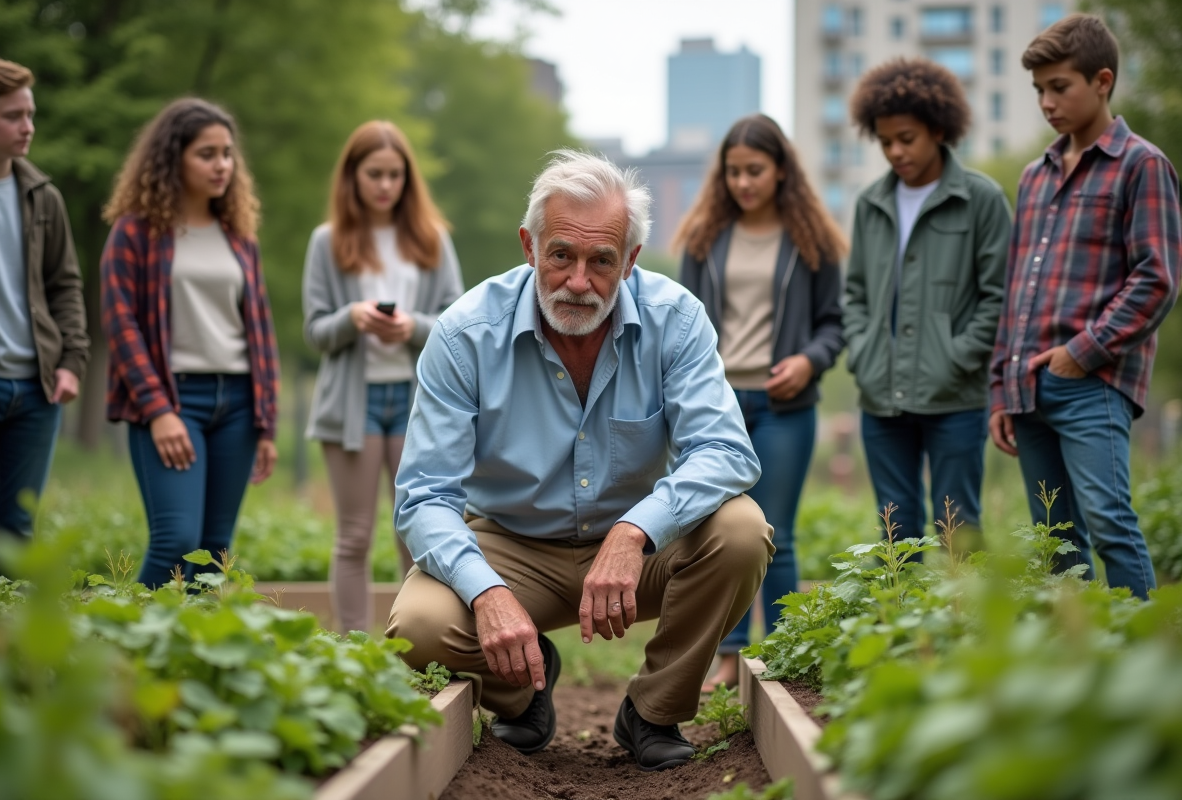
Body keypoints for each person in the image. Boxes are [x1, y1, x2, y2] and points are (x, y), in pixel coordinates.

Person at [386, 150, 771, 771]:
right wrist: (486, 593)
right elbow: (425, 495)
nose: (578, 281)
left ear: (631, 261)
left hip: (636, 550)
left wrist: (636, 529)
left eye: (602, 261)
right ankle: (524, 688)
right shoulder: (463, 335)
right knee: (419, 626)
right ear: (529, 246)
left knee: (742, 531)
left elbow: (725, 449)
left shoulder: (675, 319)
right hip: (512, 545)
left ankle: (653, 710)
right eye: (561, 254)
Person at [989, 14, 1180, 599]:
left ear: (1102, 80)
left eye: (1059, 87)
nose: (1047, 101)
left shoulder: (1141, 164)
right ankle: (1075, 669)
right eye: (1039, 90)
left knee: (1110, 526)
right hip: (1028, 389)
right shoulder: (1034, 176)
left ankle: (1147, 668)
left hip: (1091, 382)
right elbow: (1016, 285)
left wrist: (1078, 355)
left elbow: (1157, 279)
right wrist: (1002, 385)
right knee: (1056, 541)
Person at [676, 114, 845, 691]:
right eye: (733, 172)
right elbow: (681, 324)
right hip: (716, 407)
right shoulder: (703, 239)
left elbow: (833, 324)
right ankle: (725, 655)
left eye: (754, 171)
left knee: (777, 533)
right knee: (718, 531)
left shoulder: (811, 241)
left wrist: (808, 361)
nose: (743, 182)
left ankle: (780, 655)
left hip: (785, 406)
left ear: (781, 172)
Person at [100, 98, 279, 588]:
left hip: (239, 404)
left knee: (215, 549)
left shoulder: (238, 235)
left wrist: (266, 422)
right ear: (172, 158)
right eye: (207, 153)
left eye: (227, 153)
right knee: (176, 539)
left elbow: (259, 329)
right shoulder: (135, 232)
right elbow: (122, 327)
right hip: (174, 400)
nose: (222, 164)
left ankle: (195, 658)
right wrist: (158, 411)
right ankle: (126, 647)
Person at [302, 121, 463, 634]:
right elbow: (314, 330)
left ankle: (412, 646)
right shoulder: (327, 242)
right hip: (353, 406)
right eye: (374, 174)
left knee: (412, 533)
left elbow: (457, 324)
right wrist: (352, 318)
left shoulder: (432, 239)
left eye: (395, 175)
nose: (385, 185)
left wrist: (410, 326)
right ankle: (352, 651)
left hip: (416, 405)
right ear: (352, 176)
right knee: (353, 536)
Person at [843, 57, 1010, 551]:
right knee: (895, 529)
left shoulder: (981, 199)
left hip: (955, 396)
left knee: (958, 528)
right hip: (880, 394)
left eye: (906, 138)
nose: (895, 151)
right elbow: (854, 293)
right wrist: (864, 354)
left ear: (939, 129)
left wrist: (959, 357)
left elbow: (998, 296)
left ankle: (969, 627)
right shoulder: (870, 203)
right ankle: (904, 627)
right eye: (885, 141)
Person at [0, 58, 88, 543]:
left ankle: (10, 622)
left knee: (17, 532)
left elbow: (65, 285)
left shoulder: (43, 195)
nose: (28, 127)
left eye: (30, 114)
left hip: (38, 389)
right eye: (12, 115)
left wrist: (71, 361)